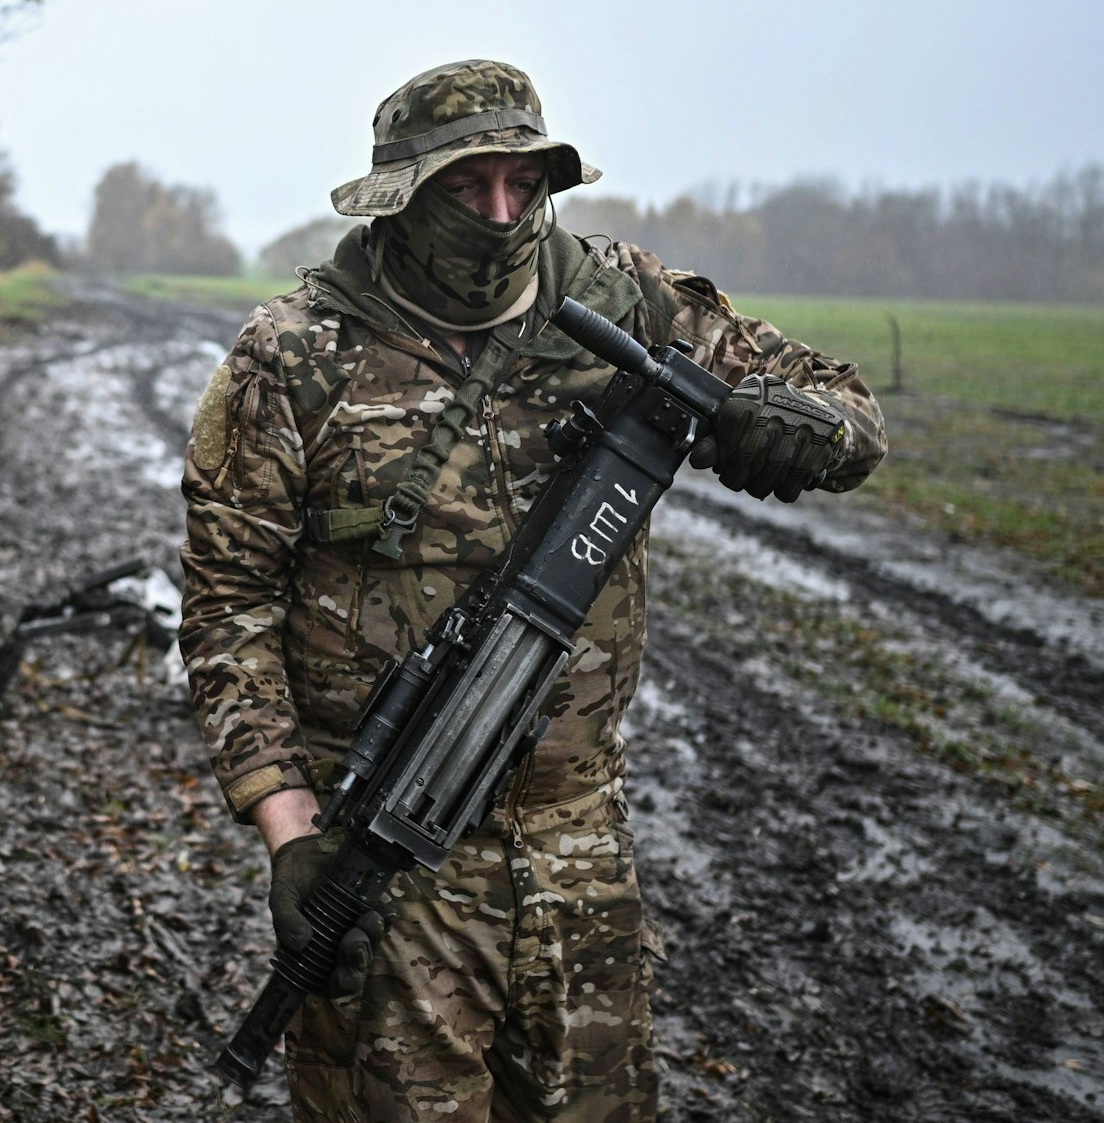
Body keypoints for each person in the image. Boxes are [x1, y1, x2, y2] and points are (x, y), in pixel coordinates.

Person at [179, 59, 886, 1122]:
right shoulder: (292, 356)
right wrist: (290, 831)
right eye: (467, 188)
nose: (502, 213)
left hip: (578, 849)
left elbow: (848, 414)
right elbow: (226, 608)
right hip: (389, 857)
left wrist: (790, 423)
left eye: (524, 183)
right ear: (402, 197)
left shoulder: (627, 301)